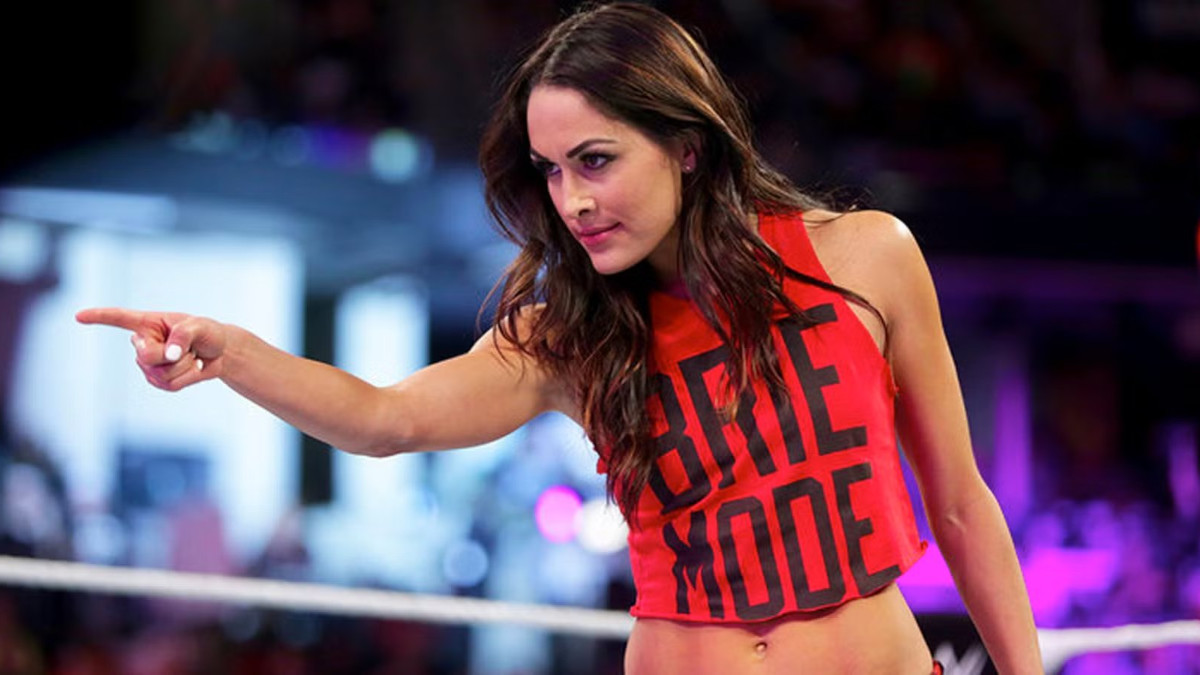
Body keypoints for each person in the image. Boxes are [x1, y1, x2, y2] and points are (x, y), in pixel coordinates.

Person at [77, 3, 1043, 673]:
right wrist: (232, 353)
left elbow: (962, 505)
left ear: (687, 145)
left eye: (596, 160)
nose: (572, 200)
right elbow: (383, 417)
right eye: (549, 170)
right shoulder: (567, 338)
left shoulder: (868, 256)